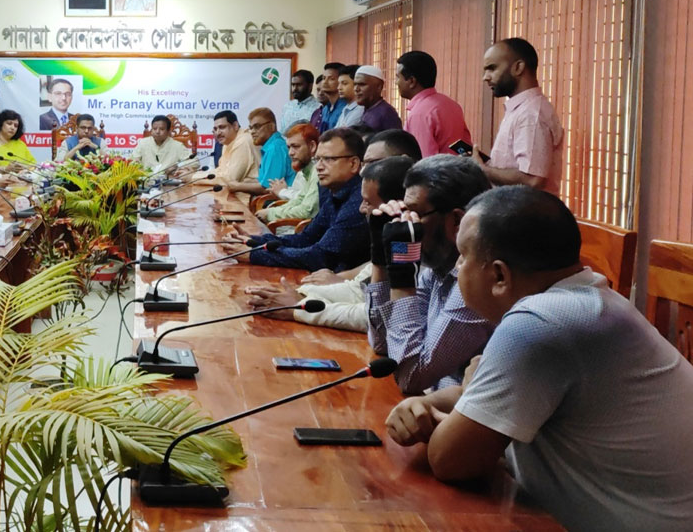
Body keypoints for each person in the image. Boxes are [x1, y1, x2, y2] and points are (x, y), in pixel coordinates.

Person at [386, 186, 693, 531]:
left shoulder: (540, 323)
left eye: (463, 256)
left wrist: (460, 402)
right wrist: (424, 405)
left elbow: (450, 460)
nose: (457, 267)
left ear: (499, 276)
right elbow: (489, 395)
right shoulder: (586, 298)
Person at [366, 155, 493, 394]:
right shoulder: (436, 270)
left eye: (414, 213)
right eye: (403, 211)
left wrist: (402, 270)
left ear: (457, 221)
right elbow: (384, 344)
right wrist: (380, 259)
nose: (406, 223)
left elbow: (411, 375)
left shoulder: (479, 283)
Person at [246, 155, 415, 333]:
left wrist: (299, 307)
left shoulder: (410, 246)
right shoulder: (339, 196)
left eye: (328, 159)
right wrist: (301, 294)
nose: (361, 209)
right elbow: (359, 289)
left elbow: (376, 318)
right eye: (317, 159)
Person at [225, 128, 369, 272]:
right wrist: (254, 241)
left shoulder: (359, 202)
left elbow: (321, 257)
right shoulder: (335, 194)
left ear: (353, 164)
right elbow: (306, 238)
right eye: (317, 159)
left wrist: (254, 255)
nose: (319, 167)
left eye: (328, 159)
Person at [473, 38, 564, 194]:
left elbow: (532, 180)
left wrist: (482, 170)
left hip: (524, 209)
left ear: (518, 68)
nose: (485, 77)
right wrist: (488, 166)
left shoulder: (531, 114)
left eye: (492, 68)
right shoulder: (521, 110)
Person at [397, 51, 472, 157]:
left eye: (397, 77)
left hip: (438, 167)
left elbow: (424, 160)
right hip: (459, 166)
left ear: (412, 81)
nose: (396, 82)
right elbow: (465, 148)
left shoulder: (419, 114)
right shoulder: (452, 105)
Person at [256, 123, 320, 229]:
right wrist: (270, 211)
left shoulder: (318, 171)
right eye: (289, 147)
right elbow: (298, 201)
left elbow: (307, 211)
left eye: (296, 147)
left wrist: (270, 214)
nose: (290, 153)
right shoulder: (307, 171)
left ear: (312, 146)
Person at [228, 108, 294, 196]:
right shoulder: (272, 145)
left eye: (257, 127)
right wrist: (245, 182)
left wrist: (237, 186)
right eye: (251, 128)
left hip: (279, 201)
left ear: (272, 126)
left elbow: (267, 188)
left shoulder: (275, 148)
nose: (252, 132)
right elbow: (264, 181)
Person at [198, 110, 258, 186]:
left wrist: (194, 178)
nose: (218, 133)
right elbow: (221, 171)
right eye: (215, 129)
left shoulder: (243, 141)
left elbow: (230, 179)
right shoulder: (227, 143)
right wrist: (196, 176)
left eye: (222, 127)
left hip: (254, 192)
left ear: (235, 126)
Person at [354, 65, 403, 132]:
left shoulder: (387, 113)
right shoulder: (367, 109)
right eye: (355, 84)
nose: (356, 89)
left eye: (362, 84)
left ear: (379, 87)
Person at [278, 69, 320, 133]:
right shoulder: (287, 106)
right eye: (293, 85)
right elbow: (282, 132)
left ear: (310, 86)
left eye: (299, 85)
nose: (295, 89)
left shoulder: (318, 107)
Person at [310, 63, 345, 133]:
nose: (325, 82)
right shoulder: (325, 109)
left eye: (331, 79)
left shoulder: (345, 108)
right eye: (323, 78)